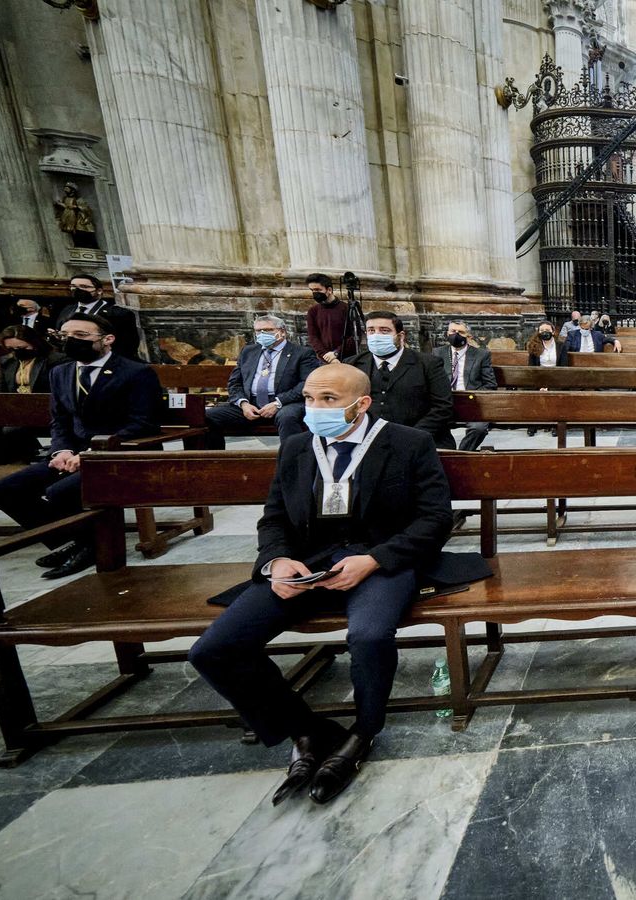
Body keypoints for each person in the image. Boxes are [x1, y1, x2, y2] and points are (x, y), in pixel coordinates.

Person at [189, 364, 453, 805]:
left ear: (361, 404)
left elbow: (435, 518)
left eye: (328, 399)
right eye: (310, 399)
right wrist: (276, 561)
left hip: (380, 561)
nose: (314, 408)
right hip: (306, 564)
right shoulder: (297, 446)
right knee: (213, 650)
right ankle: (305, 728)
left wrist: (374, 559)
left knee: (369, 635)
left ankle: (363, 732)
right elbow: (274, 517)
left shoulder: (408, 442)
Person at [0, 313, 161, 578]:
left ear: (107, 339)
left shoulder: (136, 372)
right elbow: (60, 420)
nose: (70, 340)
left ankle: (89, 545)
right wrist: (61, 450)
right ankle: (81, 540)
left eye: (80, 335)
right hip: (73, 454)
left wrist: (92, 453)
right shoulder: (61, 372)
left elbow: (144, 423)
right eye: (64, 335)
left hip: (119, 455)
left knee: (60, 492)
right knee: (1, 491)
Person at [342, 311, 454, 449]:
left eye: (384, 331)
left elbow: (442, 407)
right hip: (369, 441)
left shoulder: (428, 364)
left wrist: (411, 437)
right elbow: (345, 404)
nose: (376, 335)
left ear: (400, 336)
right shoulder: (353, 364)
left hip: (419, 439)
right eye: (371, 330)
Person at [205, 315, 320, 449]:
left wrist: (278, 403)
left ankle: (291, 458)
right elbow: (234, 383)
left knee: (287, 417)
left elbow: (306, 383)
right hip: (250, 404)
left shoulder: (302, 353)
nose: (262, 334)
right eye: (258, 331)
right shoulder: (248, 352)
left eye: (268, 330)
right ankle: (211, 459)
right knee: (208, 416)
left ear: (282, 332)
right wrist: (243, 404)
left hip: (285, 403)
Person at [0, 325, 61, 463]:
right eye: (11, 349)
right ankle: (6, 460)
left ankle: (20, 461)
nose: (17, 352)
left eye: (22, 348)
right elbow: (2, 390)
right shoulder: (7, 361)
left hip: (44, 409)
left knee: (12, 430)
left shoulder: (55, 360)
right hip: (15, 408)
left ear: (35, 343)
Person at [438, 321, 496, 451]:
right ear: (447, 333)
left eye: (461, 332)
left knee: (478, 428)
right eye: (453, 331)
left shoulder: (481, 355)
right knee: (433, 425)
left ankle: (462, 454)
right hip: (445, 402)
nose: (456, 335)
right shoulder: (438, 353)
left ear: (468, 336)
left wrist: (473, 398)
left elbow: (490, 384)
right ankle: (448, 452)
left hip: (472, 402)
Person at [55, 274, 141, 360]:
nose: (78, 290)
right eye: (73, 286)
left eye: (84, 286)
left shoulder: (118, 313)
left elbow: (128, 344)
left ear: (99, 291)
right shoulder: (67, 310)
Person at [304, 273, 359, 363]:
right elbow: (313, 337)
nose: (315, 293)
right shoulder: (313, 311)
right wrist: (328, 357)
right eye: (312, 290)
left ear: (329, 290)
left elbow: (355, 335)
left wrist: (336, 353)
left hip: (348, 359)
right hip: (325, 360)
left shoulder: (347, 308)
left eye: (318, 290)